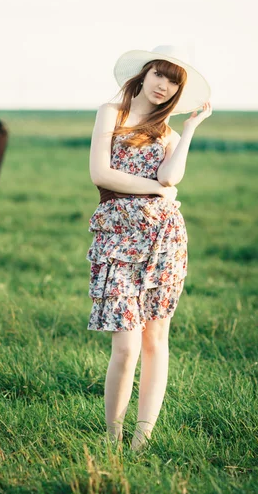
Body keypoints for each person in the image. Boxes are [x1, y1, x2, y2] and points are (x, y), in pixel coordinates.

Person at [87, 45, 212, 450]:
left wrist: (189, 129)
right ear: (144, 74)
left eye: (174, 81)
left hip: (164, 241)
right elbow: (100, 174)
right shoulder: (113, 112)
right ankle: (112, 438)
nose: (164, 85)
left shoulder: (170, 132)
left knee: (155, 339)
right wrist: (158, 191)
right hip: (118, 239)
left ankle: (143, 438)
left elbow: (173, 178)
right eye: (160, 74)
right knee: (125, 344)